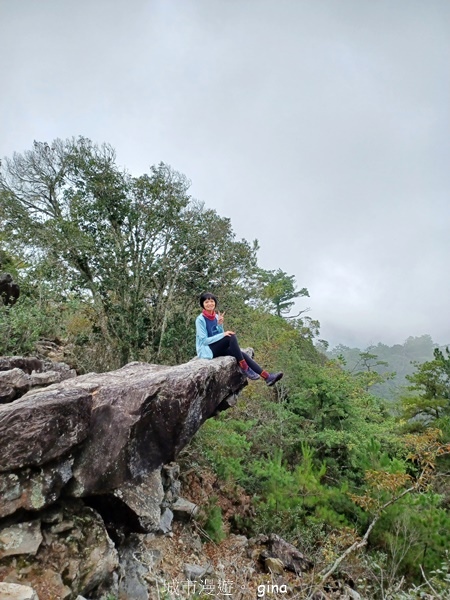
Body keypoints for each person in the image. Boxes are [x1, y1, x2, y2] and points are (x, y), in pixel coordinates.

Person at [195, 292, 283, 386]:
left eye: (212, 301)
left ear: (215, 303)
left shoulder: (216, 316)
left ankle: (267, 377)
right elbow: (204, 340)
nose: (210, 304)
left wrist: (220, 325)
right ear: (202, 305)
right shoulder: (200, 319)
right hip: (207, 350)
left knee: (241, 354)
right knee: (231, 336)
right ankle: (244, 367)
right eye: (206, 302)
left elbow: (219, 335)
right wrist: (224, 334)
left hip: (216, 347)